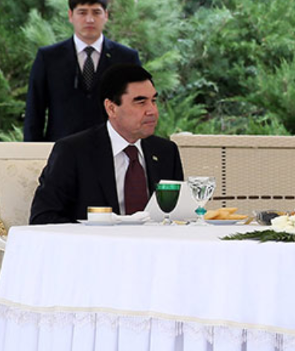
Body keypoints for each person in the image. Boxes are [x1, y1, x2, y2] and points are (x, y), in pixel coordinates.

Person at [30, 64, 183, 224]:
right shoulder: (73, 151)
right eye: (141, 102)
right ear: (111, 108)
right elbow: (42, 218)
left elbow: (177, 216)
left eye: (153, 101)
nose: (152, 111)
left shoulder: (166, 152)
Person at [23, 0, 141, 142]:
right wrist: (32, 150)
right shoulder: (49, 58)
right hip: (61, 148)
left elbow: (139, 107)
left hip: (112, 147)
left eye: (96, 12)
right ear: (70, 15)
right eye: (82, 12)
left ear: (106, 15)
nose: (89, 19)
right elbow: (34, 111)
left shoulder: (126, 58)